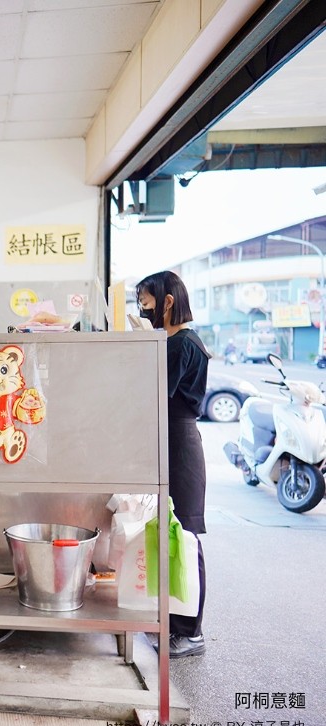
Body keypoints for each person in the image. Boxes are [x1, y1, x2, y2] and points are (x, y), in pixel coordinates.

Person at [136, 270, 211, 658]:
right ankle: (174, 624)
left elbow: (156, 392)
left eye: (147, 303)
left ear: (167, 302)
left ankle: (190, 632)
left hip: (180, 443)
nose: (144, 310)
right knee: (173, 531)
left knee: (186, 534)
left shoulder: (181, 343)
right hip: (172, 439)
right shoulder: (174, 341)